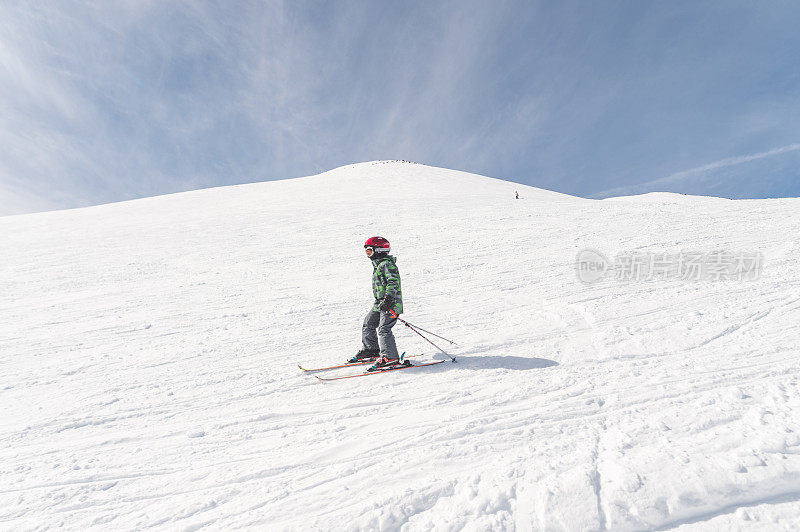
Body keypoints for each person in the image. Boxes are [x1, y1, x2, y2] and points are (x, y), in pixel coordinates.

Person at [348, 236, 404, 369]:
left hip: (391, 303)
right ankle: (371, 349)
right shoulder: (379, 265)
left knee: (384, 329)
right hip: (380, 303)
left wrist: (389, 299)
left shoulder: (387, 265)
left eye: (369, 251)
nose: (368, 255)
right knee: (368, 323)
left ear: (378, 250)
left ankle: (390, 357)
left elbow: (393, 282)